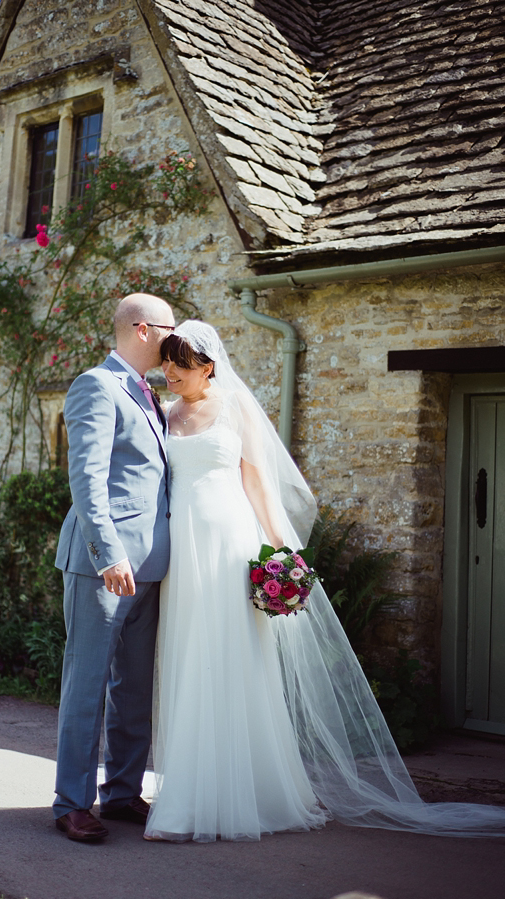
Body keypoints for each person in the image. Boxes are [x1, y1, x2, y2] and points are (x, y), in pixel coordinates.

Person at [143, 320, 505, 843]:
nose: (170, 372)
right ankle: (189, 791)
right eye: (167, 362)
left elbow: (259, 484)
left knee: (235, 659)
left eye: (181, 363)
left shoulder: (234, 407)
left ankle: (248, 794)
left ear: (209, 366)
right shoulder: (166, 413)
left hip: (229, 545)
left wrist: (281, 552)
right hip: (185, 549)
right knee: (188, 658)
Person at [52, 293, 175, 842]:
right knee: (87, 683)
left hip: (151, 565)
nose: (177, 339)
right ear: (143, 330)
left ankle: (123, 793)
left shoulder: (151, 393)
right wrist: (110, 556)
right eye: (171, 329)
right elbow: (88, 481)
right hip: (104, 565)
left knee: (134, 689)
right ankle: (71, 803)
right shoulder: (96, 386)